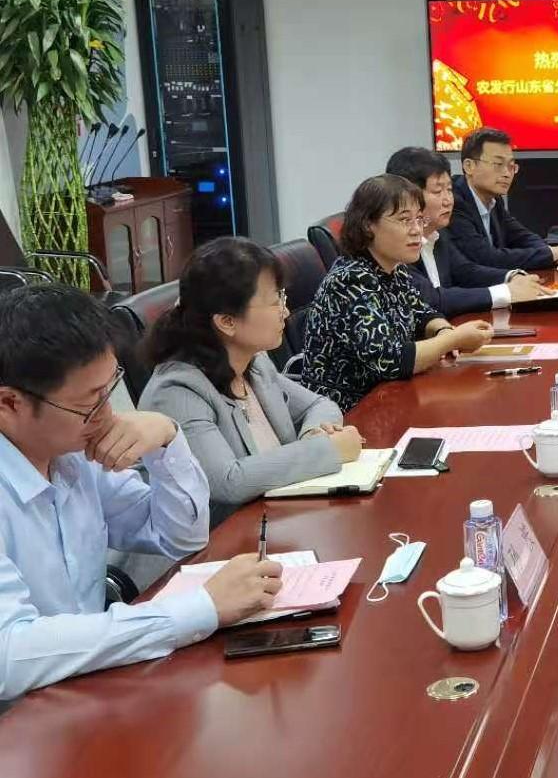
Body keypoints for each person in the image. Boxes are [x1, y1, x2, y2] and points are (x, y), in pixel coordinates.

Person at [0, 284, 283, 701]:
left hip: (86, 687)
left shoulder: (72, 454)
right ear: (10, 404)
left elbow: (178, 537)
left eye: (110, 390)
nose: (108, 415)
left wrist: (167, 441)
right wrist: (199, 609)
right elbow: (10, 654)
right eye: (90, 403)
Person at [140, 237, 363, 521]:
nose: (285, 311)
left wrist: (313, 433)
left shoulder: (254, 362)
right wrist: (326, 450)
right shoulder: (176, 392)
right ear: (227, 322)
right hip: (226, 539)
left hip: (283, 518)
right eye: (274, 301)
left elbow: (319, 405)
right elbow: (228, 481)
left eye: (282, 297)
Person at [302, 175, 494, 411]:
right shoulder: (350, 280)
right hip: (347, 413)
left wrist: (443, 329)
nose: (417, 231)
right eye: (404, 220)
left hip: (389, 399)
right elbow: (392, 360)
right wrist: (453, 340)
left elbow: (423, 313)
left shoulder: (395, 268)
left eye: (419, 219)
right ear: (368, 224)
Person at [384, 146, 552, 318]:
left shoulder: (438, 235)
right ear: (408, 195)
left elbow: (465, 271)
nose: (448, 200)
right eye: (437, 191)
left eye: (449, 190)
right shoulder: (395, 245)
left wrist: (512, 277)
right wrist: (507, 292)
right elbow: (431, 300)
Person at [450, 129, 558, 270]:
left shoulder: (494, 199)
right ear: (469, 166)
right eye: (498, 164)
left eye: (511, 166)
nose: (507, 173)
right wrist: (556, 253)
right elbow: (486, 258)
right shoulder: (453, 202)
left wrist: (553, 255)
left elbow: (521, 237)